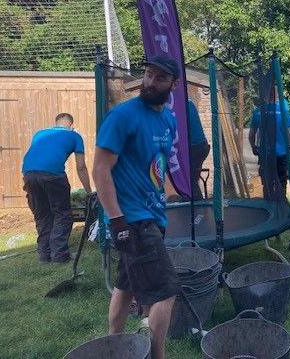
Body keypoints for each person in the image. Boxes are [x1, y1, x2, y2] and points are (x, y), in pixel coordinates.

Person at [93, 55, 181, 359]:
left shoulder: (168, 119)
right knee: (167, 291)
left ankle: (113, 344)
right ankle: (157, 356)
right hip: (132, 219)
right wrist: (117, 221)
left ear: (173, 84)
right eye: (147, 74)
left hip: (153, 214)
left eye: (159, 78)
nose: (149, 82)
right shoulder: (123, 116)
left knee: (126, 284)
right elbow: (101, 169)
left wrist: (165, 196)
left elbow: (156, 165)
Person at [22, 113, 91, 263]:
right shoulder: (75, 136)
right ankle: (59, 255)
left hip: (29, 174)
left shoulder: (40, 133)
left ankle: (44, 255)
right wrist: (88, 191)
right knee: (63, 214)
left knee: (42, 214)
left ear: (56, 123)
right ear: (71, 126)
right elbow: (81, 167)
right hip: (53, 175)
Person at [248, 81, 290, 200]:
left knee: (267, 184)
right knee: (282, 183)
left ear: (266, 95)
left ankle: (268, 209)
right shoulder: (284, 112)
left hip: (265, 155)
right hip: (281, 154)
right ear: (277, 96)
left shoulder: (258, 111)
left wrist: (253, 146)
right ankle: (282, 210)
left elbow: (251, 134)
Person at [187, 99, 210, 199]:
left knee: (190, 177)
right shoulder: (190, 102)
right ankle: (196, 200)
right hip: (203, 146)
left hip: (195, 147)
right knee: (193, 176)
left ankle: (196, 201)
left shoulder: (178, 106)